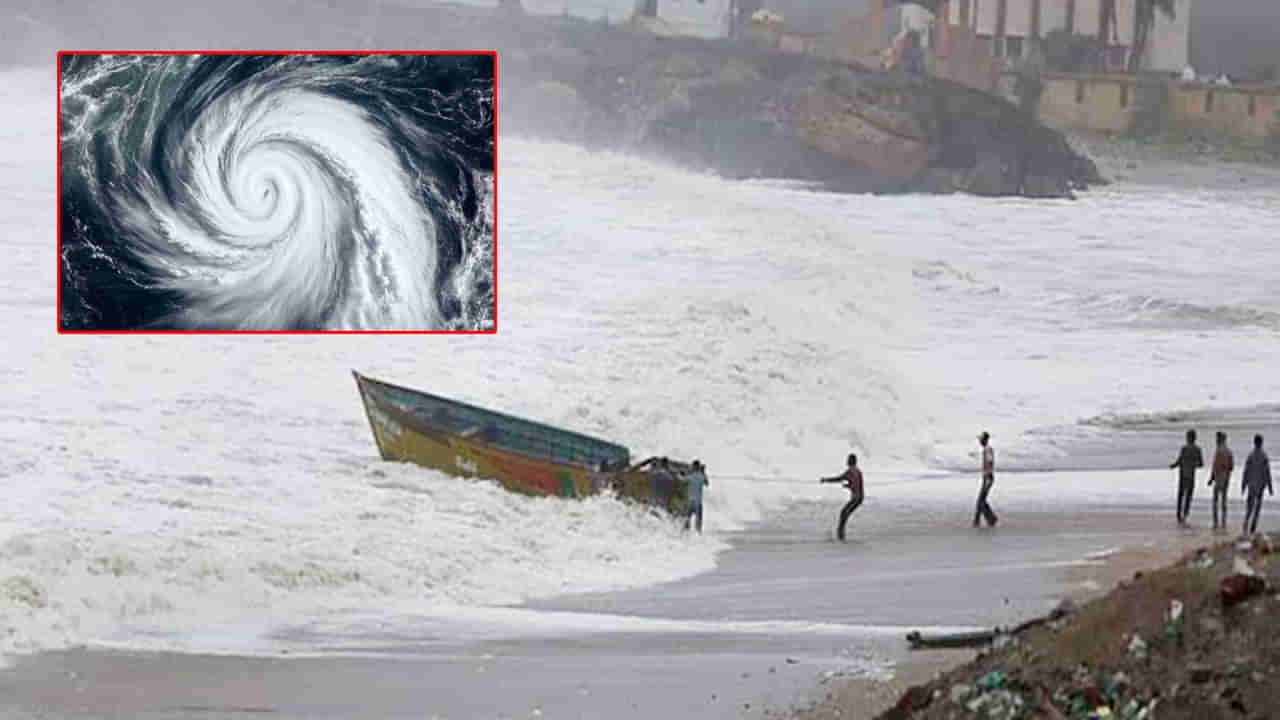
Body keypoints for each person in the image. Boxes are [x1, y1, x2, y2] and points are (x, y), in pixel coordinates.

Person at [819, 453, 864, 542]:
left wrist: (825, 480)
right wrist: (849, 485)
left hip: (856, 498)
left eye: (848, 460)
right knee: (844, 513)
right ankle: (841, 534)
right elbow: (857, 484)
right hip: (859, 497)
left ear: (851, 461)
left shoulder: (851, 471)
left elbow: (839, 479)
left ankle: (841, 536)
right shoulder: (857, 471)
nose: (847, 461)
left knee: (844, 513)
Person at [1170, 429, 1204, 526]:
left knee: (1180, 495)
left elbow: (1179, 461)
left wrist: (1173, 466)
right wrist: (1193, 464)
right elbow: (1201, 464)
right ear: (1195, 438)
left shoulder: (1184, 448)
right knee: (1188, 496)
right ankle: (1185, 514)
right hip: (1191, 475)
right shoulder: (1198, 449)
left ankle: (1178, 515)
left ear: (1188, 438)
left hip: (1183, 475)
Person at [1242, 434, 1273, 536]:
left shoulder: (1250, 456)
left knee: (1249, 508)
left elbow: (1246, 471)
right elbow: (1267, 472)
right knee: (1257, 508)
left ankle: (1245, 525)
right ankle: (1252, 528)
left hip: (1251, 485)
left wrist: (1243, 485)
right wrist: (1270, 487)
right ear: (1261, 443)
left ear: (1254, 442)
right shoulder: (1264, 456)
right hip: (1260, 487)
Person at [1209, 431, 1235, 531]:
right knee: (1224, 500)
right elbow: (1231, 466)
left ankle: (1215, 522)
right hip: (1226, 478)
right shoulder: (1229, 451)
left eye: (1217, 439)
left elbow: (1215, 466)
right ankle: (1224, 522)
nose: (1215, 440)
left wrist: (1211, 478)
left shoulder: (1218, 451)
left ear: (1219, 439)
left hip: (1219, 478)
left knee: (1215, 501)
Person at [974, 432, 998, 528]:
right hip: (986, 477)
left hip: (988, 477)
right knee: (981, 500)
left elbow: (990, 462)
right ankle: (979, 520)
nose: (980, 441)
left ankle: (990, 519)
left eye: (981, 439)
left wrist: (987, 475)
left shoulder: (988, 450)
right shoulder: (986, 450)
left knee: (981, 500)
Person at [685, 460, 709, 533]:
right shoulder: (701, 476)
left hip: (690, 502)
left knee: (687, 519)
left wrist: (685, 473)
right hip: (698, 502)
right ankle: (698, 535)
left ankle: (686, 534)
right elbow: (707, 483)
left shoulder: (690, 476)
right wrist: (703, 472)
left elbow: (682, 480)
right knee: (698, 521)